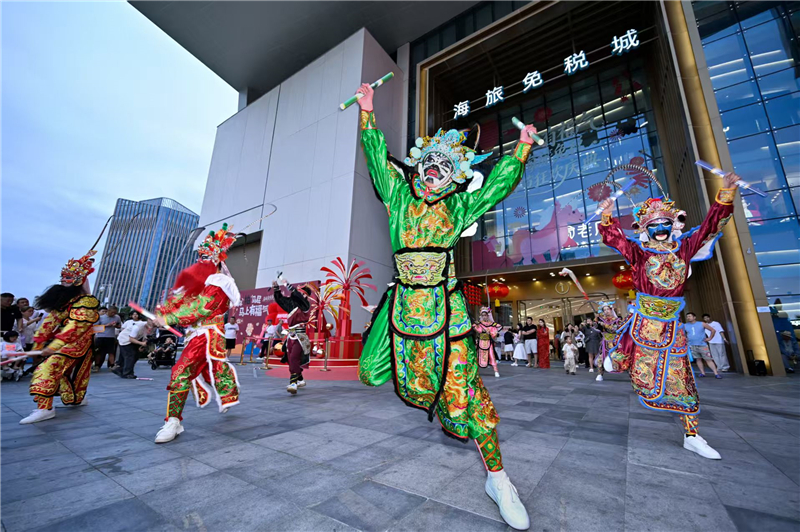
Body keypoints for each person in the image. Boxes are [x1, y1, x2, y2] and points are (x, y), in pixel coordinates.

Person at [355, 82, 533, 529]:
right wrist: (368, 112)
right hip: (402, 304)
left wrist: (522, 149)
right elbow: (377, 159)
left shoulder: (459, 205)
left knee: (465, 394)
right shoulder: (398, 195)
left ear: (454, 175)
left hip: (446, 309)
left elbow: (496, 187)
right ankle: (433, 390)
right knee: (370, 371)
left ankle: (499, 480)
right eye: (428, 163)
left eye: (443, 166)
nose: (433, 171)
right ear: (418, 168)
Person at [598, 168, 740, 460]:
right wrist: (607, 216)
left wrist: (726, 193)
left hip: (672, 327)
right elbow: (616, 240)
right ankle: (620, 353)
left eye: (665, 223)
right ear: (644, 228)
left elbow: (710, 226)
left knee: (684, 380)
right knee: (634, 364)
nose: (661, 228)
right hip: (644, 322)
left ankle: (692, 436)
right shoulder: (639, 252)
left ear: (672, 224)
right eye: (654, 224)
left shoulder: (685, 247)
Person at [153, 224, 242, 443]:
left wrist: (170, 318)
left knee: (181, 372)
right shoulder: (196, 282)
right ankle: (228, 391)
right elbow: (177, 302)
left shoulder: (221, 283)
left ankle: (173, 420)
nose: (200, 261)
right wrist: (161, 313)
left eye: (205, 257)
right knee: (209, 373)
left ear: (216, 259)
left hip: (209, 334)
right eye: (199, 257)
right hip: (194, 335)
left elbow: (202, 308)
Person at [20, 251, 100, 424]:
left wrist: (53, 346)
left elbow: (75, 328)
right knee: (65, 373)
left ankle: (45, 408)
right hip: (65, 343)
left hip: (77, 343)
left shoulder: (86, 302)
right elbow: (50, 322)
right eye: (62, 277)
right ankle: (75, 399)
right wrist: (38, 344)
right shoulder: (65, 301)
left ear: (78, 281)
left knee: (47, 368)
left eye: (68, 278)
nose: (63, 281)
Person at [272, 279, 312, 394]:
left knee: (294, 357)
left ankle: (293, 383)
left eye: (302, 293)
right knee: (290, 359)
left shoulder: (305, 305)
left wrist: (288, 285)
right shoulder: (292, 305)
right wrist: (276, 289)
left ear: (306, 296)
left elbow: (298, 297)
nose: (299, 295)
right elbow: (280, 300)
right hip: (291, 336)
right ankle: (300, 380)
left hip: (300, 337)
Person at [114, 311, 150, 379]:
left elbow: (144, 336)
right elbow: (131, 339)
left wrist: (141, 345)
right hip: (125, 340)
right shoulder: (137, 326)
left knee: (135, 355)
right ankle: (127, 373)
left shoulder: (146, 326)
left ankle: (120, 369)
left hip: (132, 339)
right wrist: (141, 343)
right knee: (130, 356)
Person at [684, 312, 721, 379]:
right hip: (692, 345)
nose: (688, 318)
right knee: (698, 359)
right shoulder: (685, 325)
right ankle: (702, 373)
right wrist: (685, 339)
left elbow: (713, 330)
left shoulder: (701, 324)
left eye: (690, 316)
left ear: (694, 317)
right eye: (687, 316)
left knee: (708, 359)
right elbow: (683, 334)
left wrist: (709, 338)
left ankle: (716, 373)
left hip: (702, 345)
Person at [596, 303, 623, 383]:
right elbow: (596, 328)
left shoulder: (617, 320)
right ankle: (600, 374)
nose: (606, 311)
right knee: (601, 358)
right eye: (604, 310)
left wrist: (605, 325)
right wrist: (597, 322)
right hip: (605, 342)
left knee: (620, 356)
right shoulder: (602, 319)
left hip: (615, 342)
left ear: (611, 309)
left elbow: (615, 329)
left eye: (607, 309)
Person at [474, 307, 501, 378]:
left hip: (488, 341)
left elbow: (495, 331)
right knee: (478, 356)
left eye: (485, 315)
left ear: (488, 315)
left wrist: (491, 333)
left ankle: (496, 371)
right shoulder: (479, 323)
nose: (484, 317)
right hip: (481, 342)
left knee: (492, 355)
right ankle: (475, 372)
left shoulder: (492, 324)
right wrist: (478, 327)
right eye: (482, 315)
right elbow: (477, 329)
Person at [94, 305, 122, 372]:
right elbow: (95, 328)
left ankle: (111, 365)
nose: (113, 314)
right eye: (112, 312)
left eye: (115, 313)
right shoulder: (101, 317)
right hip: (101, 337)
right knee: (99, 352)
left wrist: (115, 325)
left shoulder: (117, 317)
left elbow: (119, 326)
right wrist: (106, 325)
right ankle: (97, 365)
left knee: (111, 352)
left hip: (111, 337)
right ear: (108, 311)